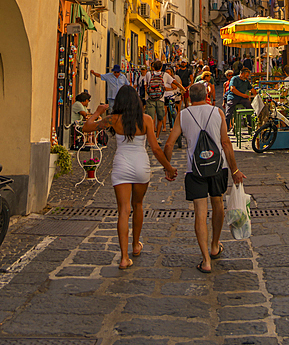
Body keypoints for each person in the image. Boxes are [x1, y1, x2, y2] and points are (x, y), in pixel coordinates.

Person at [82, 85, 177, 269]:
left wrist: (98, 111)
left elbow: (87, 127)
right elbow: (156, 149)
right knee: (138, 205)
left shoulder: (113, 119)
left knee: (123, 210)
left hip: (121, 166)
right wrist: (169, 167)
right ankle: (135, 245)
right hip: (141, 165)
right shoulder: (146, 119)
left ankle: (124, 257)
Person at [164, 81, 245, 274]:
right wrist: (234, 171)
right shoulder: (217, 112)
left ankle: (206, 260)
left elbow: (168, 144)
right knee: (218, 205)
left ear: (189, 97)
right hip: (218, 167)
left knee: (200, 213)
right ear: (207, 95)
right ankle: (215, 245)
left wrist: (168, 167)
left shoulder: (183, 115)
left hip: (195, 170)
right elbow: (226, 143)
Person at [224, 66, 255, 130]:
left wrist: (257, 94)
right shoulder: (234, 79)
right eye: (246, 75)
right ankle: (226, 128)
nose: (247, 77)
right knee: (229, 112)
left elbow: (252, 89)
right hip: (233, 97)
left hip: (242, 99)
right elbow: (233, 89)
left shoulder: (246, 81)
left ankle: (250, 125)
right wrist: (243, 95)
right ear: (242, 74)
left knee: (250, 106)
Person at [144, 60, 165, 134]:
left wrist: (148, 93)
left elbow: (145, 85)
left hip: (150, 99)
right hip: (160, 99)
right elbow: (174, 82)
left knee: (150, 118)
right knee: (160, 119)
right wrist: (182, 89)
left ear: (153, 67)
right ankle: (157, 137)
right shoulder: (164, 74)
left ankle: (151, 136)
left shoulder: (148, 74)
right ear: (161, 67)